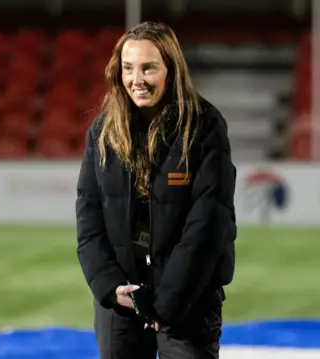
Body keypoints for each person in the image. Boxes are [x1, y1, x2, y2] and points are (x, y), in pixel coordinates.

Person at [75, 21, 237, 359]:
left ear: (171, 69)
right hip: (121, 302)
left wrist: (165, 304)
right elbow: (89, 219)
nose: (137, 80)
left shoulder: (204, 126)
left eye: (149, 68)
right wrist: (110, 287)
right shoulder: (102, 131)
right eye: (128, 68)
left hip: (188, 302)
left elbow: (207, 225)